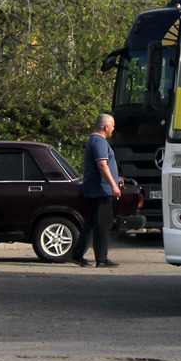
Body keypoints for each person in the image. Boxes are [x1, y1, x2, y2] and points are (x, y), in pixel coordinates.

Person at [71, 112, 123, 268]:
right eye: (112, 126)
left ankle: (77, 254)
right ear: (106, 127)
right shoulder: (99, 142)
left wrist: (116, 179)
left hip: (98, 188)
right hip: (100, 190)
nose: (113, 129)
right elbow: (102, 165)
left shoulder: (95, 140)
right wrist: (113, 185)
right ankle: (101, 258)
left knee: (92, 222)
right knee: (102, 223)